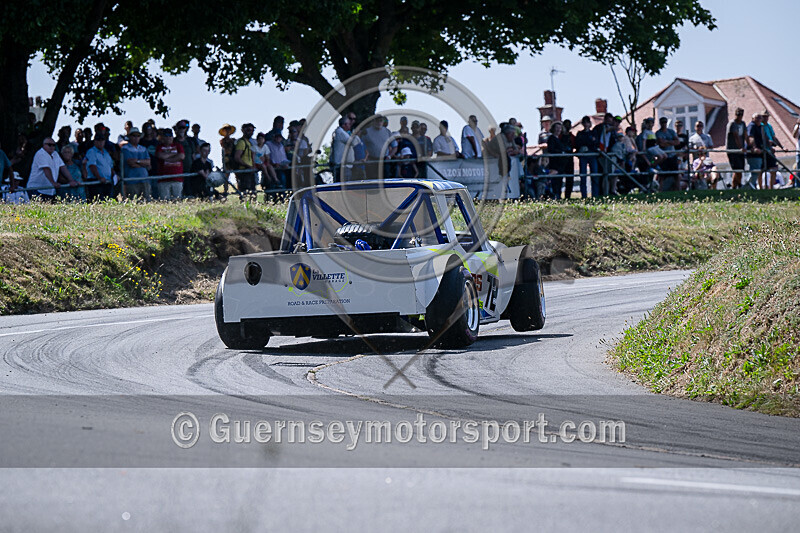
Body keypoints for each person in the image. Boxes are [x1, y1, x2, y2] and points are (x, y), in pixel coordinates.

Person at [121, 127, 151, 199]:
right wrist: (143, 163)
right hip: (131, 180)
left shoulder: (143, 148)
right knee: (133, 201)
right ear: (130, 137)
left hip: (144, 179)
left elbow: (148, 162)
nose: (136, 138)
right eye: (134, 135)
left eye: (138, 136)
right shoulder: (125, 149)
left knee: (146, 201)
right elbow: (130, 163)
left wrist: (137, 161)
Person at [154, 129, 185, 199]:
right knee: (164, 200)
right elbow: (160, 155)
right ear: (163, 137)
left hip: (177, 178)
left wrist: (168, 158)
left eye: (170, 136)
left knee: (177, 199)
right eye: (166, 136)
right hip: (163, 179)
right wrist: (174, 155)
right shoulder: (159, 147)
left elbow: (181, 156)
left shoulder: (178, 146)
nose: (168, 138)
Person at [84, 134, 115, 200]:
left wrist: (114, 175)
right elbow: (92, 166)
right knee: (98, 201)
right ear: (95, 141)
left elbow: (110, 166)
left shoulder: (106, 152)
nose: (100, 142)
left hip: (107, 181)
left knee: (108, 201)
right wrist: (99, 178)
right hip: (96, 182)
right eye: (98, 140)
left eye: (102, 140)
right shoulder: (91, 152)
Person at [574, 116, 598, 198]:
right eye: (584, 122)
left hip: (592, 155)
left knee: (594, 175)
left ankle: (595, 195)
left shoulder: (593, 133)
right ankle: (584, 195)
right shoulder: (580, 134)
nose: (586, 124)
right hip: (583, 156)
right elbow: (578, 143)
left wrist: (589, 144)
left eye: (587, 122)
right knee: (583, 176)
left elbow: (595, 143)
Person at [546, 122, 569, 199]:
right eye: (557, 128)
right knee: (555, 181)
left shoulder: (559, 139)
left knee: (559, 181)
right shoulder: (551, 138)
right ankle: (555, 196)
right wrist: (560, 152)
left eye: (560, 128)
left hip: (560, 164)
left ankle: (558, 196)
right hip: (554, 164)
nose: (558, 130)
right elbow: (551, 149)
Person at [726, 108, 748, 188]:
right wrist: (741, 147)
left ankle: (738, 185)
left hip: (740, 151)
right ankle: (735, 186)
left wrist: (750, 145)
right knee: (736, 169)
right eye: (738, 114)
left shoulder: (743, 123)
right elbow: (736, 136)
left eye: (741, 115)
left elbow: (745, 135)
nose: (739, 116)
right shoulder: (732, 124)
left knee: (741, 169)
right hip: (733, 150)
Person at [761, 111, 783, 189]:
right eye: (764, 116)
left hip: (770, 150)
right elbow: (765, 137)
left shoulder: (769, 126)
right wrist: (769, 146)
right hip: (764, 150)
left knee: (773, 169)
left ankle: (771, 188)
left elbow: (773, 137)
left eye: (767, 116)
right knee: (762, 170)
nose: (766, 118)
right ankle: (762, 188)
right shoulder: (760, 126)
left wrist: (782, 147)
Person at [233, 123, 257, 194]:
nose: (251, 132)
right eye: (248, 130)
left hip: (249, 170)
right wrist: (248, 166)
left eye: (252, 131)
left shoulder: (248, 142)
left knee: (252, 192)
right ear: (243, 130)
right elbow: (237, 157)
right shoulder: (241, 142)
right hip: (244, 171)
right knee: (246, 192)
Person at [746, 113, 765, 189]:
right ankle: (749, 186)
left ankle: (750, 186)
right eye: (757, 118)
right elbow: (750, 137)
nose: (759, 119)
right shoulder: (752, 126)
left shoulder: (760, 127)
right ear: (753, 119)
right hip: (753, 153)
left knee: (757, 171)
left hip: (759, 153)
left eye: (760, 118)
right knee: (755, 171)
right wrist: (754, 147)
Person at [331, 116, 353, 182]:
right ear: (344, 125)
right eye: (349, 124)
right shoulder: (340, 132)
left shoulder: (340, 132)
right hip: (342, 165)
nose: (350, 126)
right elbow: (352, 141)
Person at [560, 119, 576, 198]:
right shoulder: (560, 136)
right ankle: (558, 195)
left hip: (570, 159)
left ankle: (567, 196)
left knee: (570, 178)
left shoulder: (571, 136)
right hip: (561, 159)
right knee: (559, 178)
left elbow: (576, 144)